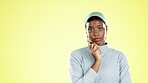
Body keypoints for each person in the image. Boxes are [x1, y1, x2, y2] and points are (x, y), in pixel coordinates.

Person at [69, 12, 132, 83]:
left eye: (100, 28)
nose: (96, 33)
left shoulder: (119, 56)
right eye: (90, 29)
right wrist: (97, 61)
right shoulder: (76, 55)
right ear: (86, 32)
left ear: (106, 29)